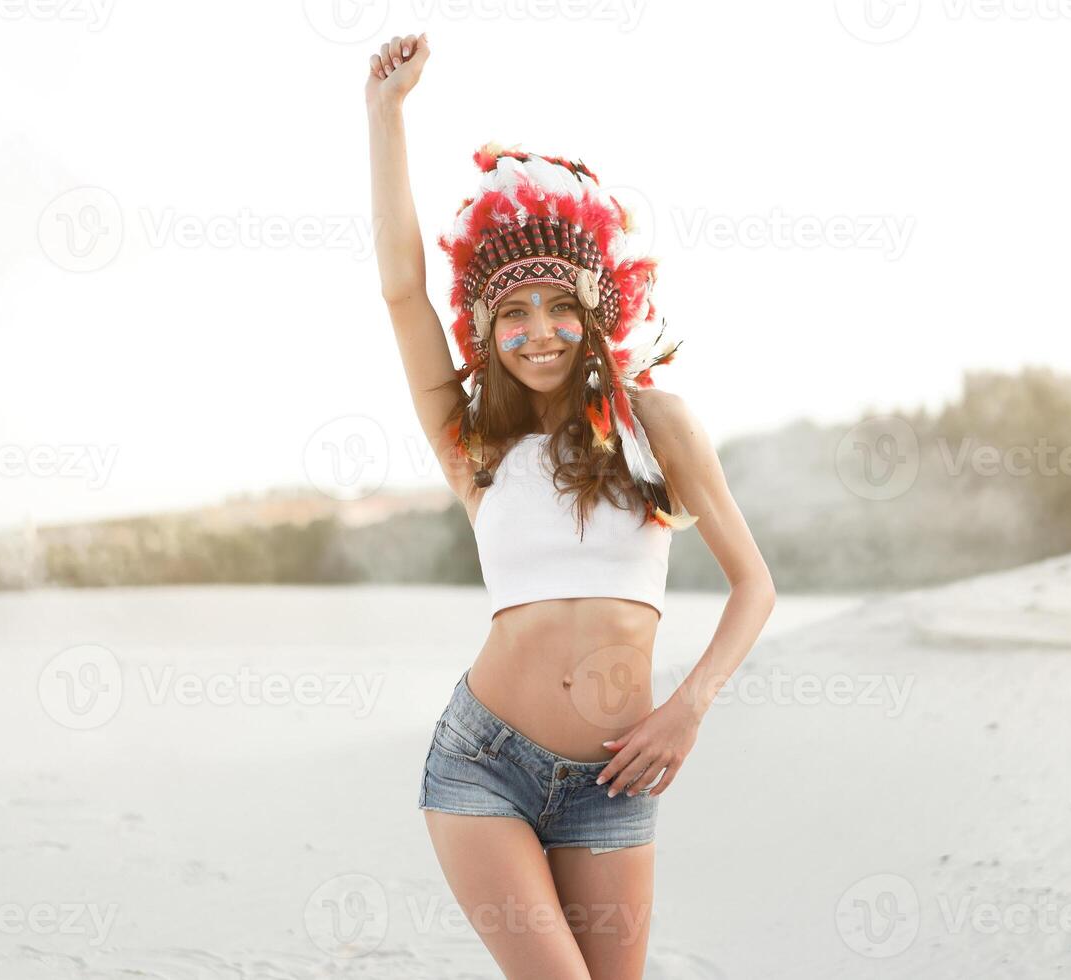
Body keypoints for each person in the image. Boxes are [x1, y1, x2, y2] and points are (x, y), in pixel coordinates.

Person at [365, 32, 777, 980]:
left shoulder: (658, 424)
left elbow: (753, 585)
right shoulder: (472, 444)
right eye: (514, 313)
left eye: (559, 308)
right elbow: (399, 292)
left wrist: (688, 709)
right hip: (483, 764)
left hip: (616, 775)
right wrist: (386, 117)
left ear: (595, 313)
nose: (538, 332)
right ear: (487, 326)